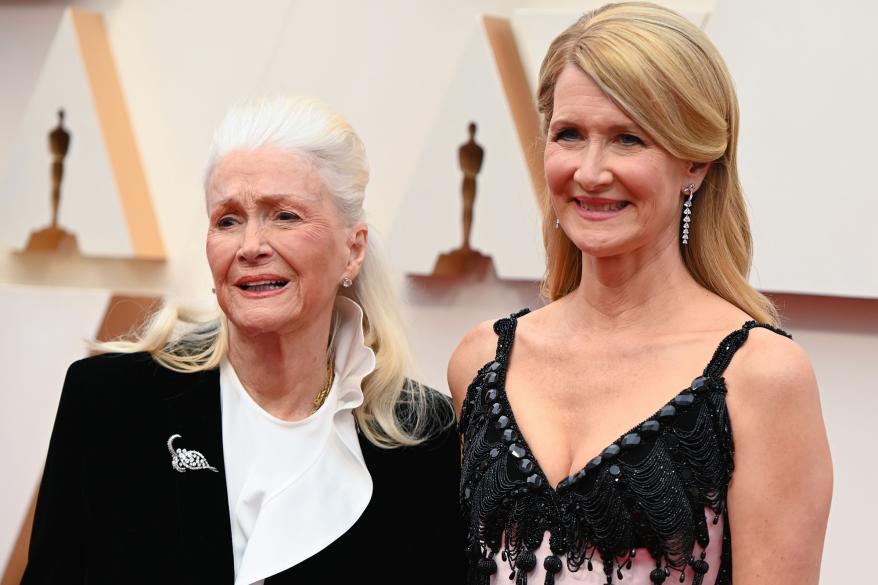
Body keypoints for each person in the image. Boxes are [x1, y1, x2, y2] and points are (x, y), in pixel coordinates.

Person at [448, 3, 832, 585]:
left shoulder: (761, 378)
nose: (591, 171)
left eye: (628, 139)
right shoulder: (481, 361)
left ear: (695, 164)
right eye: (569, 135)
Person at [23, 97, 465, 585]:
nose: (251, 246)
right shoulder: (109, 402)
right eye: (228, 220)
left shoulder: (425, 437)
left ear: (352, 250)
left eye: (285, 216)